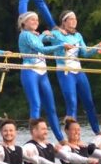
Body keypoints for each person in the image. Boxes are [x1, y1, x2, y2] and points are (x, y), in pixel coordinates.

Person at [44, 10, 101, 133]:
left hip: (79, 72)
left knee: (89, 103)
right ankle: (71, 135)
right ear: (64, 22)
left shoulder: (78, 36)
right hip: (65, 72)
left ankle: (97, 132)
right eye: (71, 19)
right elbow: (41, 41)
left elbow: (85, 52)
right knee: (72, 103)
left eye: (75, 19)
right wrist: (45, 34)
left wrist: (97, 46)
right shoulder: (57, 34)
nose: (74, 21)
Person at [18, 11, 72, 142]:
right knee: (36, 104)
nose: (36, 22)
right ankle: (35, 137)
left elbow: (41, 41)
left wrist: (47, 35)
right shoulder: (25, 35)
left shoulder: (34, 35)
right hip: (30, 72)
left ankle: (60, 138)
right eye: (32, 20)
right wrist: (60, 45)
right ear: (24, 23)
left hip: (42, 73)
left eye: (37, 20)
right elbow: (41, 49)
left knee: (51, 107)